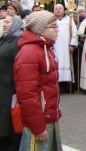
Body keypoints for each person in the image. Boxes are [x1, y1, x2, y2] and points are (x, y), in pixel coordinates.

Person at [14, 11, 63, 151]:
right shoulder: (29, 53)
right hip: (39, 122)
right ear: (40, 29)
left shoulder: (46, 48)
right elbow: (27, 94)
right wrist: (38, 126)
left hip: (47, 117)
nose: (57, 30)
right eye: (53, 27)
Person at [0, 14, 24, 151]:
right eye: (4, 22)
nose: (5, 24)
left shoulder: (17, 42)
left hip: (6, 93)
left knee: (3, 129)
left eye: (8, 22)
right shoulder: (4, 40)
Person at [54, 4, 78, 91]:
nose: (58, 10)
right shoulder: (52, 20)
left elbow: (74, 33)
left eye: (60, 8)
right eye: (56, 9)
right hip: (55, 46)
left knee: (67, 63)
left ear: (64, 10)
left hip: (66, 47)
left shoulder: (69, 20)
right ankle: (57, 86)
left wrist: (72, 44)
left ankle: (68, 86)